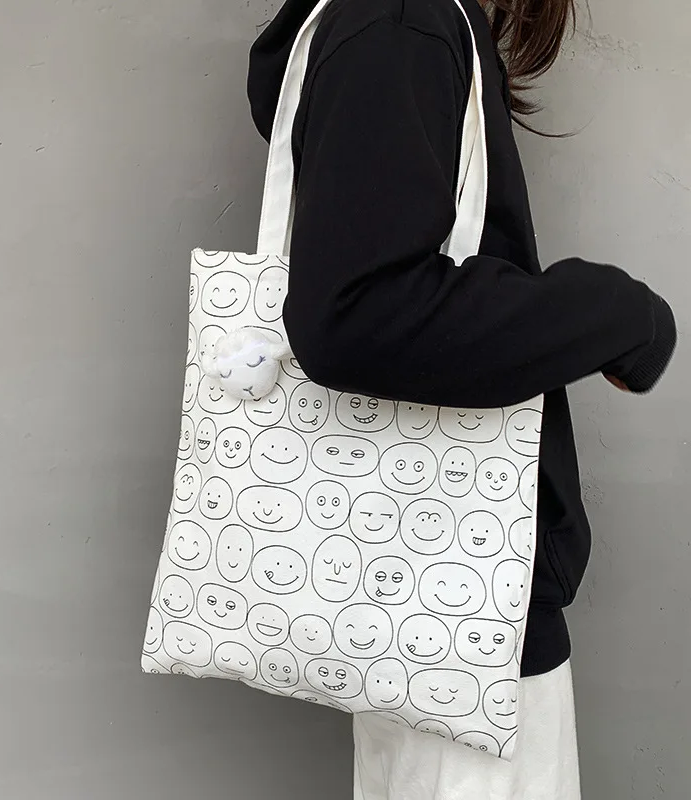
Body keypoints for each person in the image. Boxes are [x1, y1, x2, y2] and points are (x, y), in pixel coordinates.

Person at [247, 0, 677, 798]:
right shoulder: (401, 21)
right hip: (468, 631)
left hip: (422, 598)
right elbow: (357, 315)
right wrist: (615, 314)